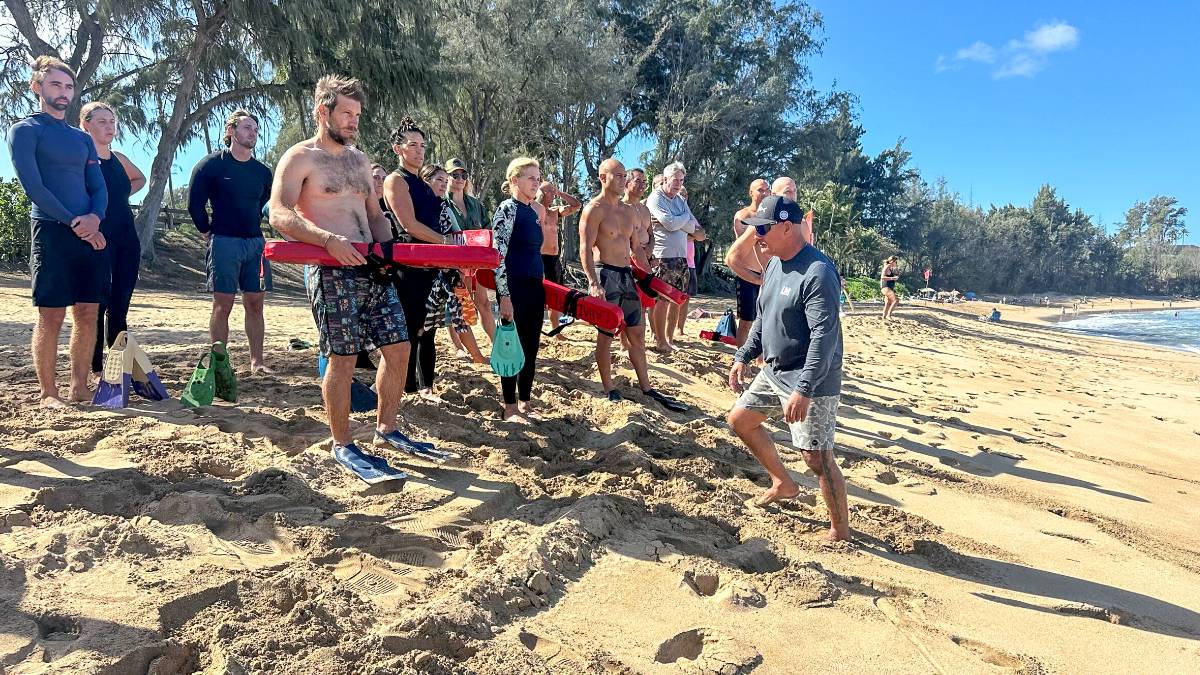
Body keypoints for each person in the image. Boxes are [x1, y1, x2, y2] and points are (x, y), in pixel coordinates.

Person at [268, 75, 426, 467]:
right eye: (346, 114)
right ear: (323, 112)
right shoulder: (300, 157)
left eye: (357, 115)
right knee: (343, 357)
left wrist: (388, 252)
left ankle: (386, 429)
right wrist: (326, 240)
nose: (354, 122)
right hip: (330, 269)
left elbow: (374, 215)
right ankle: (342, 443)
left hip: (373, 269)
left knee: (399, 347)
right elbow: (279, 213)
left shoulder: (358, 161)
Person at [727, 195, 849, 542]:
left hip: (811, 376)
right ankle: (783, 482)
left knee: (816, 456)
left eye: (762, 229)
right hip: (775, 370)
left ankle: (840, 530)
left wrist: (805, 389)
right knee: (741, 420)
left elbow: (824, 337)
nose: (757, 236)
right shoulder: (775, 263)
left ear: (786, 227)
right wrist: (743, 355)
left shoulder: (818, 272)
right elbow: (765, 319)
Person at [7, 57, 108, 407]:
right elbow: (34, 187)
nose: (63, 93)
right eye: (55, 85)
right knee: (51, 314)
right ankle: (48, 393)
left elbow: (98, 185)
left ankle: (79, 387)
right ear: (37, 87)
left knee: (88, 312)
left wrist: (95, 217)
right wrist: (75, 223)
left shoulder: (81, 139)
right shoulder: (24, 130)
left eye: (68, 87)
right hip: (52, 229)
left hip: (90, 232)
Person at [581, 159, 687, 411]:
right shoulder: (594, 209)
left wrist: (651, 278)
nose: (621, 179)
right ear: (602, 177)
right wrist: (593, 282)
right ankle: (609, 387)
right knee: (606, 335)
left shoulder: (628, 211)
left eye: (622, 175)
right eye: (616, 175)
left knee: (637, 333)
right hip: (605, 274)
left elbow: (637, 249)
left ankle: (646, 387)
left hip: (627, 275)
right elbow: (584, 249)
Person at [188, 109, 274, 373]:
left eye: (255, 129)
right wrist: (206, 231)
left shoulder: (262, 172)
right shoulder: (211, 165)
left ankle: (257, 362)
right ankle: (219, 362)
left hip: (255, 244)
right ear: (231, 131)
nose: (252, 133)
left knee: (255, 304)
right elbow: (195, 205)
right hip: (224, 242)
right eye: (247, 127)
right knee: (223, 304)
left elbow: (264, 204)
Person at [382, 116, 456, 404]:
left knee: (422, 329)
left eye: (422, 145)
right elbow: (409, 225)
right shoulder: (396, 180)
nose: (419, 150)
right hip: (408, 263)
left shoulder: (422, 183)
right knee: (407, 329)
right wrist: (446, 244)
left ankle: (412, 387)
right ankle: (400, 389)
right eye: (412, 145)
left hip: (430, 265)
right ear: (397, 149)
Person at [80, 102, 146, 379]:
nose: (109, 127)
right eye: (102, 122)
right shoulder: (81, 159)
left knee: (120, 304)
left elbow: (139, 178)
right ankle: (94, 368)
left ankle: (117, 367)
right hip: (97, 238)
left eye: (112, 121)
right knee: (97, 302)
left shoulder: (118, 158)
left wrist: (117, 197)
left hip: (127, 239)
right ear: (86, 125)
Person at [491, 157, 547, 423]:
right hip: (514, 288)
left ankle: (525, 401)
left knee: (531, 347)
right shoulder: (507, 209)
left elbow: (535, 253)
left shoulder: (533, 212)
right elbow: (498, 256)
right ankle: (509, 405)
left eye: (538, 178)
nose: (536, 183)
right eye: (530, 178)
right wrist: (504, 296)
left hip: (535, 287)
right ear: (514, 180)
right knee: (512, 347)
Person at [646, 161, 702, 352]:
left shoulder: (680, 200)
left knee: (676, 300)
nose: (678, 183)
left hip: (681, 257)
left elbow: (696, 228)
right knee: (661, 300)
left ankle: (668, 339)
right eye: (675, 179)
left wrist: (681, 221)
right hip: (663, 257)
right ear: (665, 178)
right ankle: (660, 340)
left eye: (681, 180)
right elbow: (669, 224)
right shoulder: (656, 198)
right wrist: (683, 220)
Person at [444, 158, 494, 340]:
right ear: (447, 177)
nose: (460, 178)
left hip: (477, 261)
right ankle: (458, 346)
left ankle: (496, 344)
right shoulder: (442, 204)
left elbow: (488, 229)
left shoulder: (476, 204)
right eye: (455, 174)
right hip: (454, 262)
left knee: (484, 304)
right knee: (459, 305)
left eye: (463, 175)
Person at [538, 180, 583, 333]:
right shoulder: (533, 211)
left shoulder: (554, 211)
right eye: (549, 191)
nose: (552, 194)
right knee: (536, 295)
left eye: (553, 191)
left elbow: (577, 205)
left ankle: (555, 328)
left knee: (555, 296)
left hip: (553, 258)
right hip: (537, 258)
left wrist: (559, 193)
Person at [729, 178, 769, 346]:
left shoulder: (770, 216)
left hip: (766, 274)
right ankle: (741, 357)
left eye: (767, 190)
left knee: (766, 320)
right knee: (746, 320)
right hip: (747, 274)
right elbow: (744, 243)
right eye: (760, 190)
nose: (765, 193)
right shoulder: (744, 215)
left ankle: (761, 357)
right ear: (751, 192)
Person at [880, 255, 900, 320]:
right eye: (895, 262)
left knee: (888, 303)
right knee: (896, 300)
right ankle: (889, 315)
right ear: (892, 261)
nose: (896, 263)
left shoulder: (890, 268)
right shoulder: (886, 267)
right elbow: (882, 277)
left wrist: (893, 278)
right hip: (886, 287)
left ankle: (884, 317)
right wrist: (893, 278)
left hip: (888, 287)